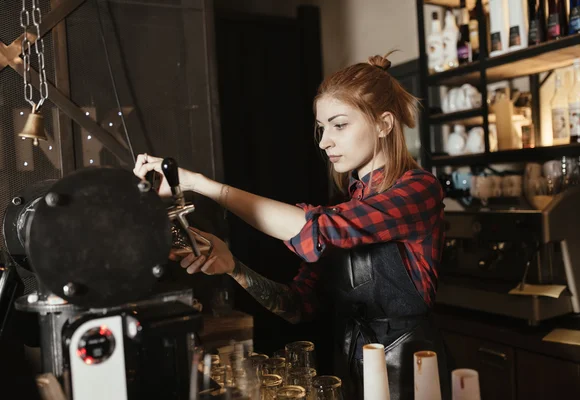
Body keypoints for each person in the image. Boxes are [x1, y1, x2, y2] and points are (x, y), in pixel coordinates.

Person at [133, 52, 450, 399]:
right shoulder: (343, 208)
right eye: (321, 127)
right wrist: (233, 267)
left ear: (383, 124)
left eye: (339, 124)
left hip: (412, 376)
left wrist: (200, 184)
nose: (323, 140)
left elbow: (319, 229)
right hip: (348, 371)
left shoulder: (417, 190)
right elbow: (297, 305)